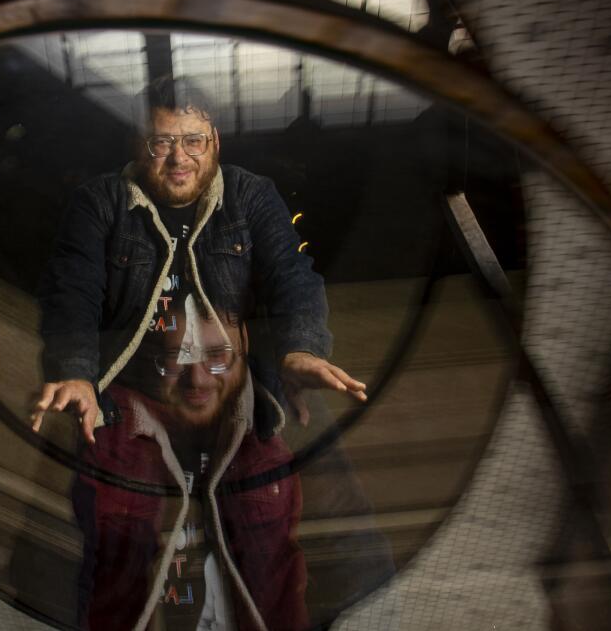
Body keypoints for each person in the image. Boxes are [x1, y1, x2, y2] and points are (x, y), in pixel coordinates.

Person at [31, 77, 366, 443]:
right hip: (133, 391)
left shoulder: (251, 195)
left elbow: (291, 275)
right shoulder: (98, 202)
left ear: (214, 143)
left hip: (233, 389)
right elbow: (73, 291)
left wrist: (301, 351)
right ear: (138, 147)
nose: (179, 157)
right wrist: (76, 372)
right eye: (162, 142)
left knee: (317, 470)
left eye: (194, 141)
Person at [72, 297, 308, 631]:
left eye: (216, 357)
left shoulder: (263, 448)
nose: (196, 380)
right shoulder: (118, 441)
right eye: (176, 359)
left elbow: (283, 595)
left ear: (243, 347)